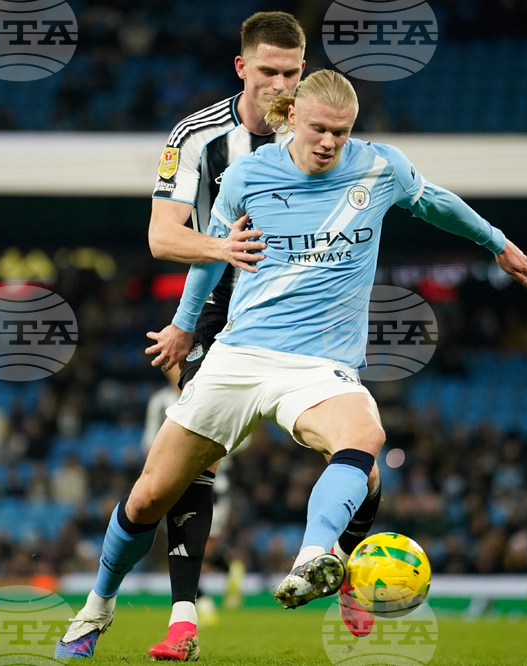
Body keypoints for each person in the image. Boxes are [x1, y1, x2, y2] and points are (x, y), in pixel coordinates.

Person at [55, 68, 527, 659]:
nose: (330, 143)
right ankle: (97, 607)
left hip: (319, 365)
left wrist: (497, 243)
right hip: (239, 356)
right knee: (147, 499)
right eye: (319, 129)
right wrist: (185, 327)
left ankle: (317, 558)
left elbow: (436, 202)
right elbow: (212, 259)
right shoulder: (247, 176)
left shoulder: (379, 167)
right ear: (291, 117)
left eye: (342, 132)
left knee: (365, 438)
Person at [140, 11, 383, 658]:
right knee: (197, 464)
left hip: (306, 318)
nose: (280, 84)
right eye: (269, 71)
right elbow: (163, 237)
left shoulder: (321, 133)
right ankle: (183, 618)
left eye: (292, 72)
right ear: (242, 67)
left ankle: (344, 572)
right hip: (220, 306)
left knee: (360, 458)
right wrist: (192, 308)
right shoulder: (197, 137)